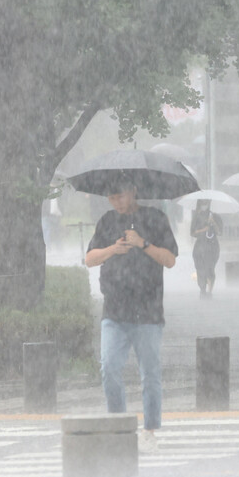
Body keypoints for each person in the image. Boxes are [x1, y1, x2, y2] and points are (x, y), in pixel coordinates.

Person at [85, 180, 178, 453]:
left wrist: (143, 243)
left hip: (148, 311)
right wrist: (113, 249)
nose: (116, 202)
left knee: (150, 372)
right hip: (114, 310)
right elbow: (90, 258)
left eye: (120, 196)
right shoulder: (106, 222)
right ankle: (119, 426)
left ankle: (149, 430)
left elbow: (170, 259)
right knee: (109, 366)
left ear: (133, 191)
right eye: (111, 198)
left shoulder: (155, 218)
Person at [190, 199, 223, 298]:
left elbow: (220, 232)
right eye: (202, 203)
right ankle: (202, 289)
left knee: (210, 269)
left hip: (212, 246)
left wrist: (213, 223)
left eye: (206, 203)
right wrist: (203, 230)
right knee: (200, 269)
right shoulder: (196, 217)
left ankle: (210, 291)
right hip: (200, 246)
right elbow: (192, 233)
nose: (204, 205)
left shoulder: (215, 216)